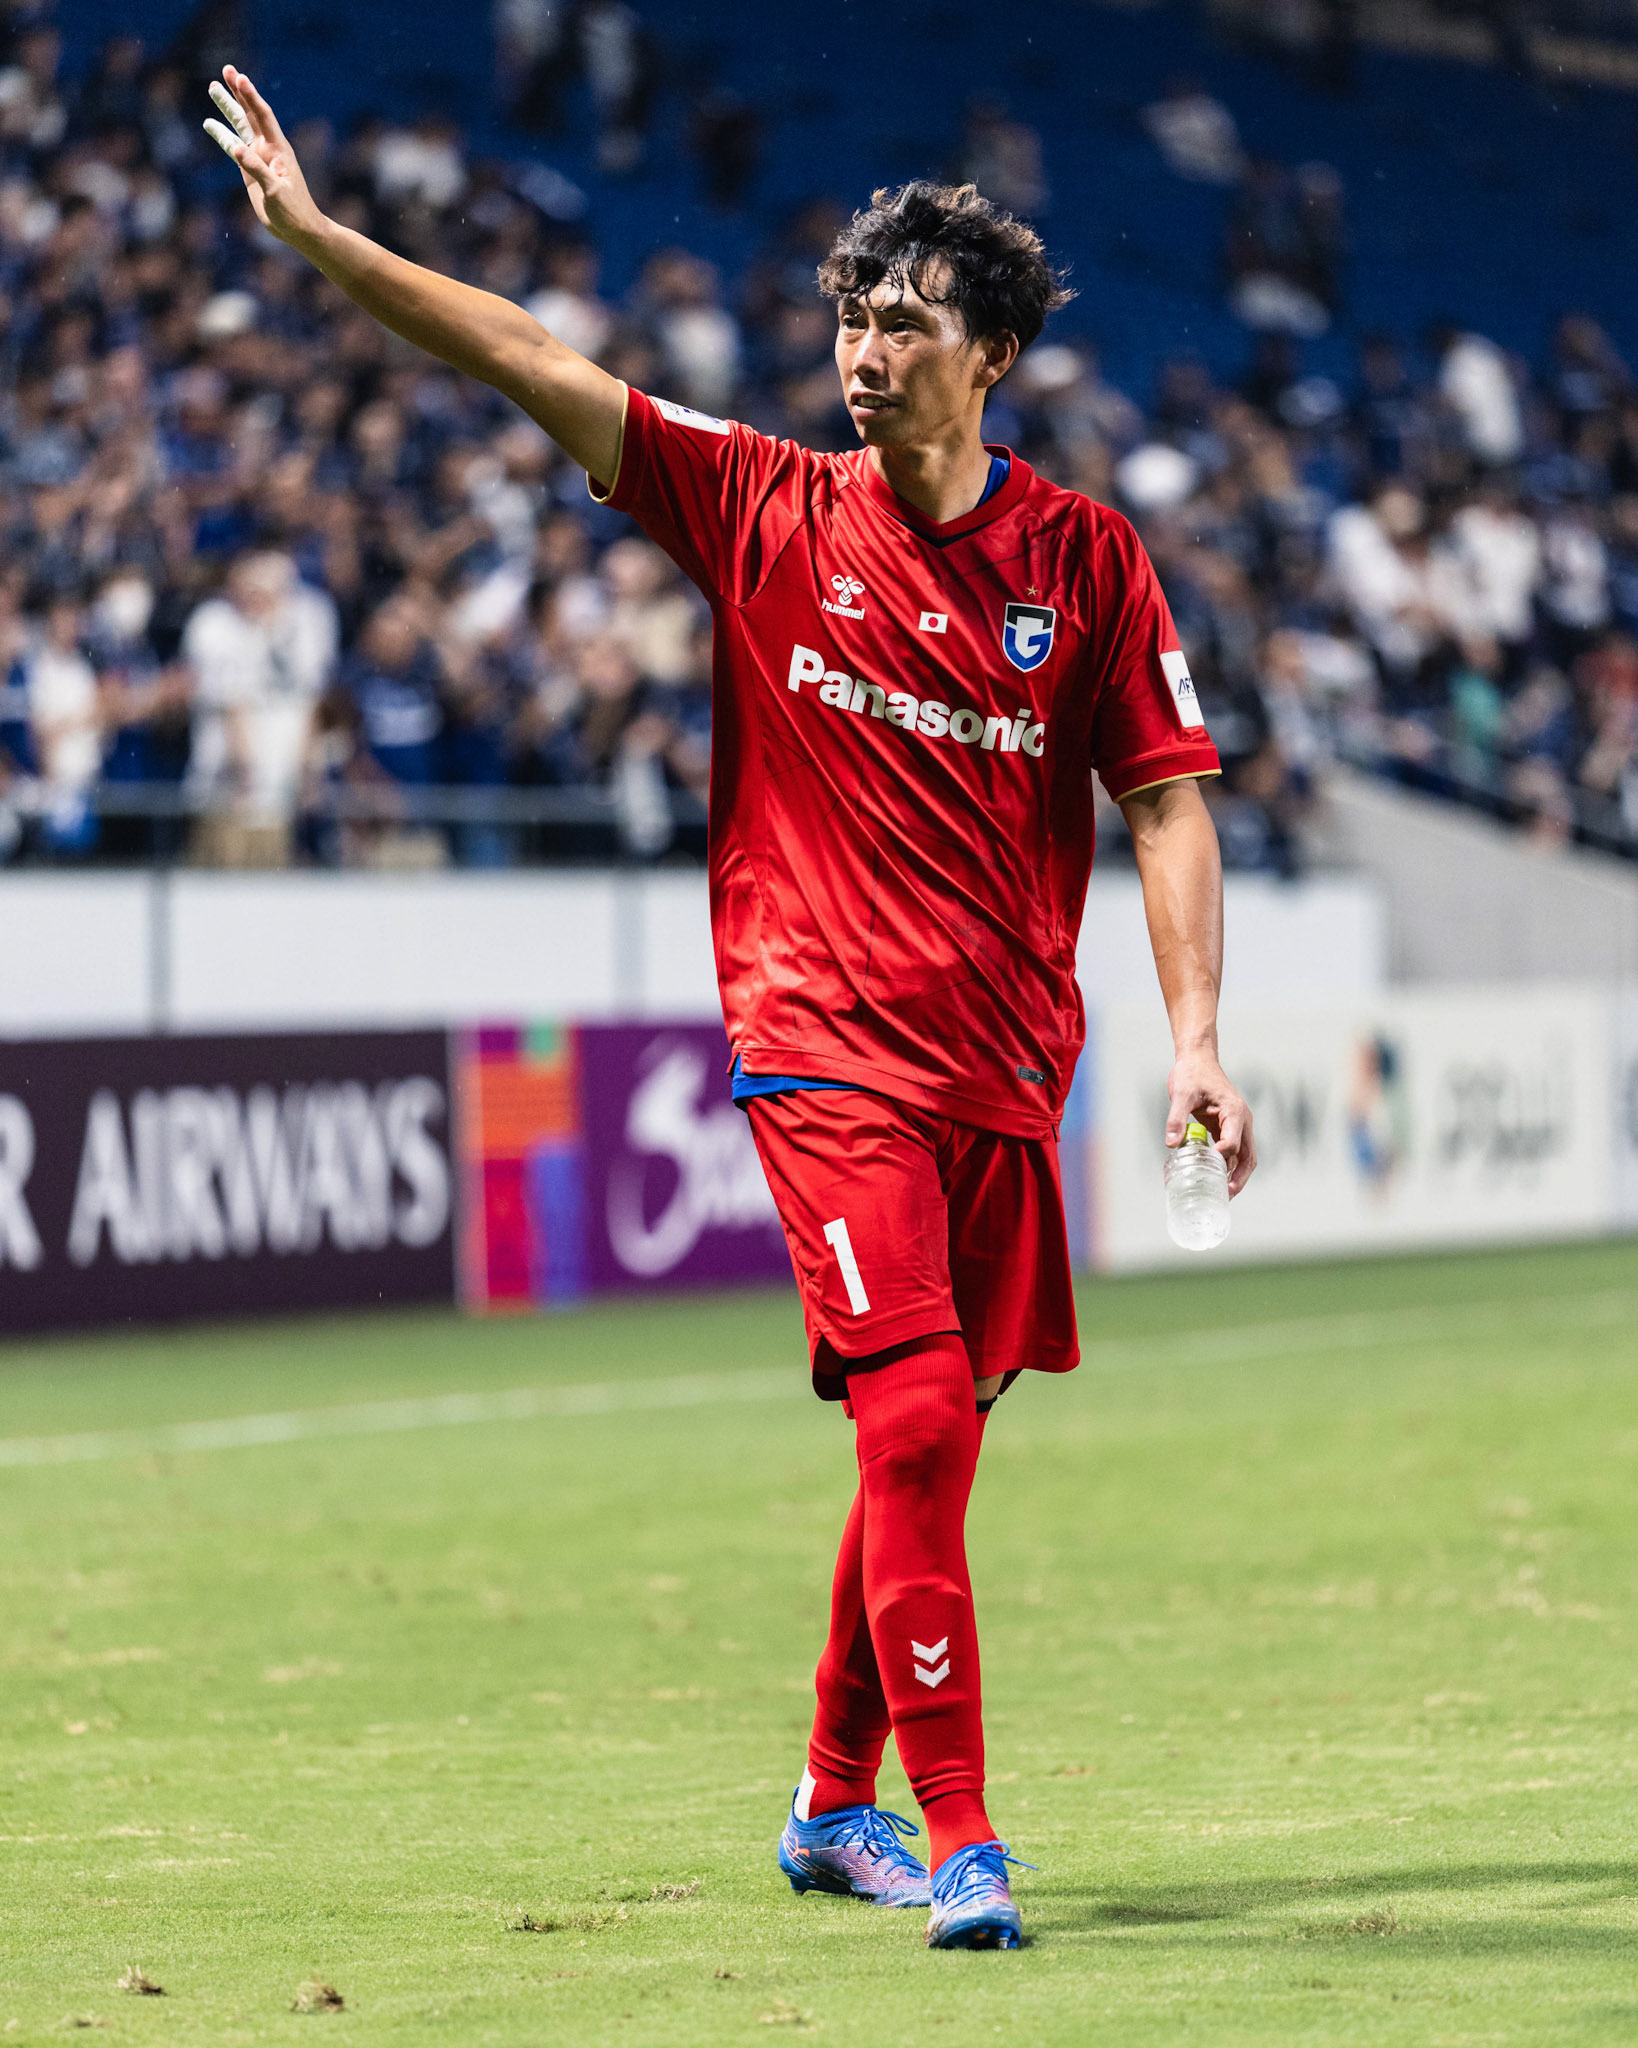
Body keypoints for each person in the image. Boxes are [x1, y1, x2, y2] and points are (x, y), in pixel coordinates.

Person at [203, 69, 1256, 1950]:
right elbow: (524, 347)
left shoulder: (1086, 563)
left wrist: (1189, 1039)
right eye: (848, 319)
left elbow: (1165, 802)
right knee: (917, 1413)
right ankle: (966, 1842)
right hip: (814, 1042)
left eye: (905, 325)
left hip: (1009, 1066)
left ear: (991, 352)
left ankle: (822, 1806)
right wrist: (316, 239)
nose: (862, 352)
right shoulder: (759, 504)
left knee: (927, 1442)